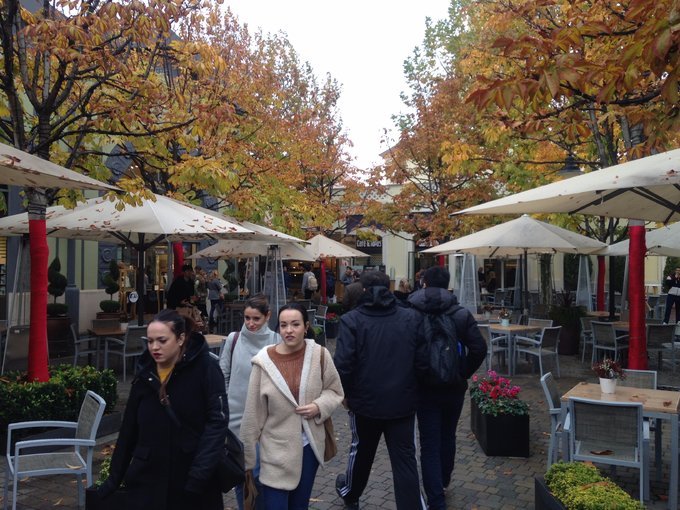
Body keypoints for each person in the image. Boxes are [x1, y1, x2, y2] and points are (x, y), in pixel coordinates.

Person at [96, 309, 228, 510]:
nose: (155, 347)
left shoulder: (206, 368)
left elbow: (217, 422)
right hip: (148, 479)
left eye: (162, 340)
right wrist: (114, 478)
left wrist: (200, 474)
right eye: (150, 341)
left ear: (180, 338)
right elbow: (129, 429)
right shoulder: (145, 372)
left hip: (192, 481)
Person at [333, 270, 427, 510]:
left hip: (365, 403)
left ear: (362, 290)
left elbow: (343, 364)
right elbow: (422, 361)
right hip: (402, 402)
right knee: (405, 461)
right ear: (389, 287)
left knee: (361, 453)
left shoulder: (352, 320)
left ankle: (350, 493)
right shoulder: (411, 318)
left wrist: (345, 394)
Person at [240, 302, 344, 509]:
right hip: (274, 451)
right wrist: (247, 461)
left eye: (295, 324)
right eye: (283, 325)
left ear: (306, 327)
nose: (289, 330)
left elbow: (335, 391)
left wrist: (319, 406)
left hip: (309, 447)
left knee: (299, 505)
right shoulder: (263, 362)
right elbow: (253, 413)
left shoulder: (319, 355)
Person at [408, 266, 487, 510]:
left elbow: (404, 348)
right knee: (448, 435)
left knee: (429, 442)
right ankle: (443, 481)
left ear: (424, 283)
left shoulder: (411, 313)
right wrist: (462, 371)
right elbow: (479, 349)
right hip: (454, 387)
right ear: (447, 285)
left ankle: (436, 499)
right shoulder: (461, 313)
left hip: (424, 387)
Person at [219, 295, 280, 510]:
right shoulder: (234, 339)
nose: (251, 323)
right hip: (236, 419)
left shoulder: (277, 341)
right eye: (247, 318)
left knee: (259, 475)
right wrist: (228, 404)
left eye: (256, 318)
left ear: (267, 316)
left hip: (265, 421)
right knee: (241, 475)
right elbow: (223, 374)